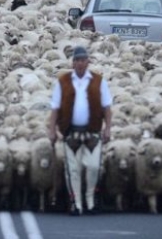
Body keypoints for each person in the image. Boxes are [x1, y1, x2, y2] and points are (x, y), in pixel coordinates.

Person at [47, 45, 112, 216]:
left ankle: (90, 200)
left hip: (92, 132)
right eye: (77, 60)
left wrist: (108, 129)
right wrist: (52, 130)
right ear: (73, 63)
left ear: (88, 62)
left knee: (93, 167)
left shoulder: (99, 81)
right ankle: (76, 203)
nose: (80, 63)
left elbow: (107, 107)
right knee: (73, 170)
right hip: (71, 133)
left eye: (83, 60)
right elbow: (55, 108)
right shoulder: (63, 82)